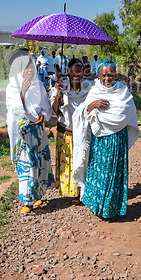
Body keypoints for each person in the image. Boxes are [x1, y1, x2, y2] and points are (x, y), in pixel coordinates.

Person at [73, 59, 139, 219]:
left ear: (115, 75)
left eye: (110, 75)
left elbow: (129, 110)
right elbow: (83, 111)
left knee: (115, 172)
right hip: (100, 138)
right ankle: (97, 206)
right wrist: (93, 104)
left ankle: (112, 209)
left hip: (117, 138)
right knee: (99, 170)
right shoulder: (94, 91)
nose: (107, 79)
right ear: (98, 75)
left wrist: (116, 115)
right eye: (103, 75)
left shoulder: (122, 90)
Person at [6, 49, 55, 214]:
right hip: (24, 134)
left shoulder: (39, 85)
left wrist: (43, 115)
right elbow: (13, 110)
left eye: (31, 67)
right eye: (25, 68)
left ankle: (38, 194)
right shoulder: (12, 86)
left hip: (38, 130)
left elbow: (46, 105)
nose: (29, 70)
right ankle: (28, 200)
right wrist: (22, 92)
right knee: (28, 165)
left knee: (40, 163)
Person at [49, 58, 93, 200]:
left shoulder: (87, 88)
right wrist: (59, 93)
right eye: (72, 71)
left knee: (82, 161)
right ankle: (73, 191)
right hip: (66, 131)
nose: (76, 74)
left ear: (82, 73)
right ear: (68, 71)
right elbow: (55, 110)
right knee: (69, 162)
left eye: (79, 71)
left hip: (82, 132)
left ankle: (82, 190)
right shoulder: (60, 87)